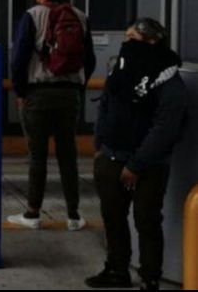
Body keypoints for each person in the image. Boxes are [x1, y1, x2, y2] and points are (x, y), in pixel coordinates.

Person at [86, 19, 187, 291]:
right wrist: (99, 145)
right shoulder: (122, 71)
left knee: (147, 220)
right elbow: (107, 104)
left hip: (148, 165)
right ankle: (116, 270)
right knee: (113, 217)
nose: (127, 44)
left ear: (152, 41)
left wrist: (136, 164)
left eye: (133, 38)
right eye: (126, 37)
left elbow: (164, 129)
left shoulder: (169, 82)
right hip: (111, 155)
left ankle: (150, 277)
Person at [8, 0, 96, 231]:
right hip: (69, 95)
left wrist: (21, 93)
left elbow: (19, 58)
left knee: (37, 157)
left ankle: (33, 213)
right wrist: (77, 87)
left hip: (38, 93)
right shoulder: (80, 16)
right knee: (68, 155)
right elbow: (88, 60)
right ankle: (73, 215)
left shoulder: (32, 15)